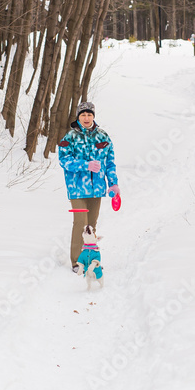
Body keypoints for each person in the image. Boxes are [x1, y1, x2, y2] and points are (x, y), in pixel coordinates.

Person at [57, 101, 120, 273]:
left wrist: (113, 183)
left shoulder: (103, 136)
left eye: (89, 114)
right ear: (78, 117)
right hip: (77, 190)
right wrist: (86, 165)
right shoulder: (69, 137)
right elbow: (64, 161)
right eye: (83, 115)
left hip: (97, 190)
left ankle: (90, 260)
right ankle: (77, 262)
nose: (86, 118)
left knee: (91, 226)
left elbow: (110, 163)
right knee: (80, 224)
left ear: (93, 116)